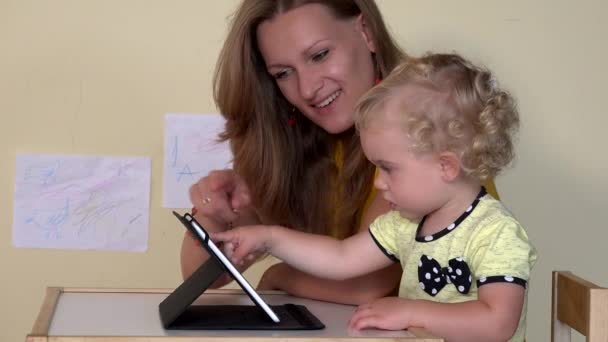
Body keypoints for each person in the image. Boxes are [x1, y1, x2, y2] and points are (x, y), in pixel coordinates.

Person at [181, 0, 499, 304]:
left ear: (367, 32)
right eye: (283, 73)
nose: (306, 89)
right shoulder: (286, 145)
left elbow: (366, 283)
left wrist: (280, 276)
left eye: (319, 55)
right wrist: (215, 212)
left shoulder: (433, 126)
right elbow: (202, 279)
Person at [212, 53, 537, 342]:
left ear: (446, 166)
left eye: (388, 168)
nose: (379, 183)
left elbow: (498, 323)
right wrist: (269, 238)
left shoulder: (496, 233)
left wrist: (410, 312)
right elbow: (341, 258)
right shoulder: (406, 224)